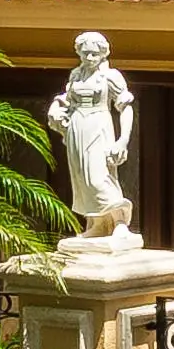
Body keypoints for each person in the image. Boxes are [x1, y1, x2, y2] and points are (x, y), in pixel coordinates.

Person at [53, 30, 137, 246]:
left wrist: (122, 140)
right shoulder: (76, 75)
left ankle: (119, 224)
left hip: (99, 125)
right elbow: (67, 101)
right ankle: (97, 224)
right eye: (85, 53)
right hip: (77, 129)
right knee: (81, 178)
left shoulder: (111, 76)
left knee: (99, 177)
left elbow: (125, 106)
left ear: (103, 53)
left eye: (94, 54)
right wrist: (56, 108)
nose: (89, 58)